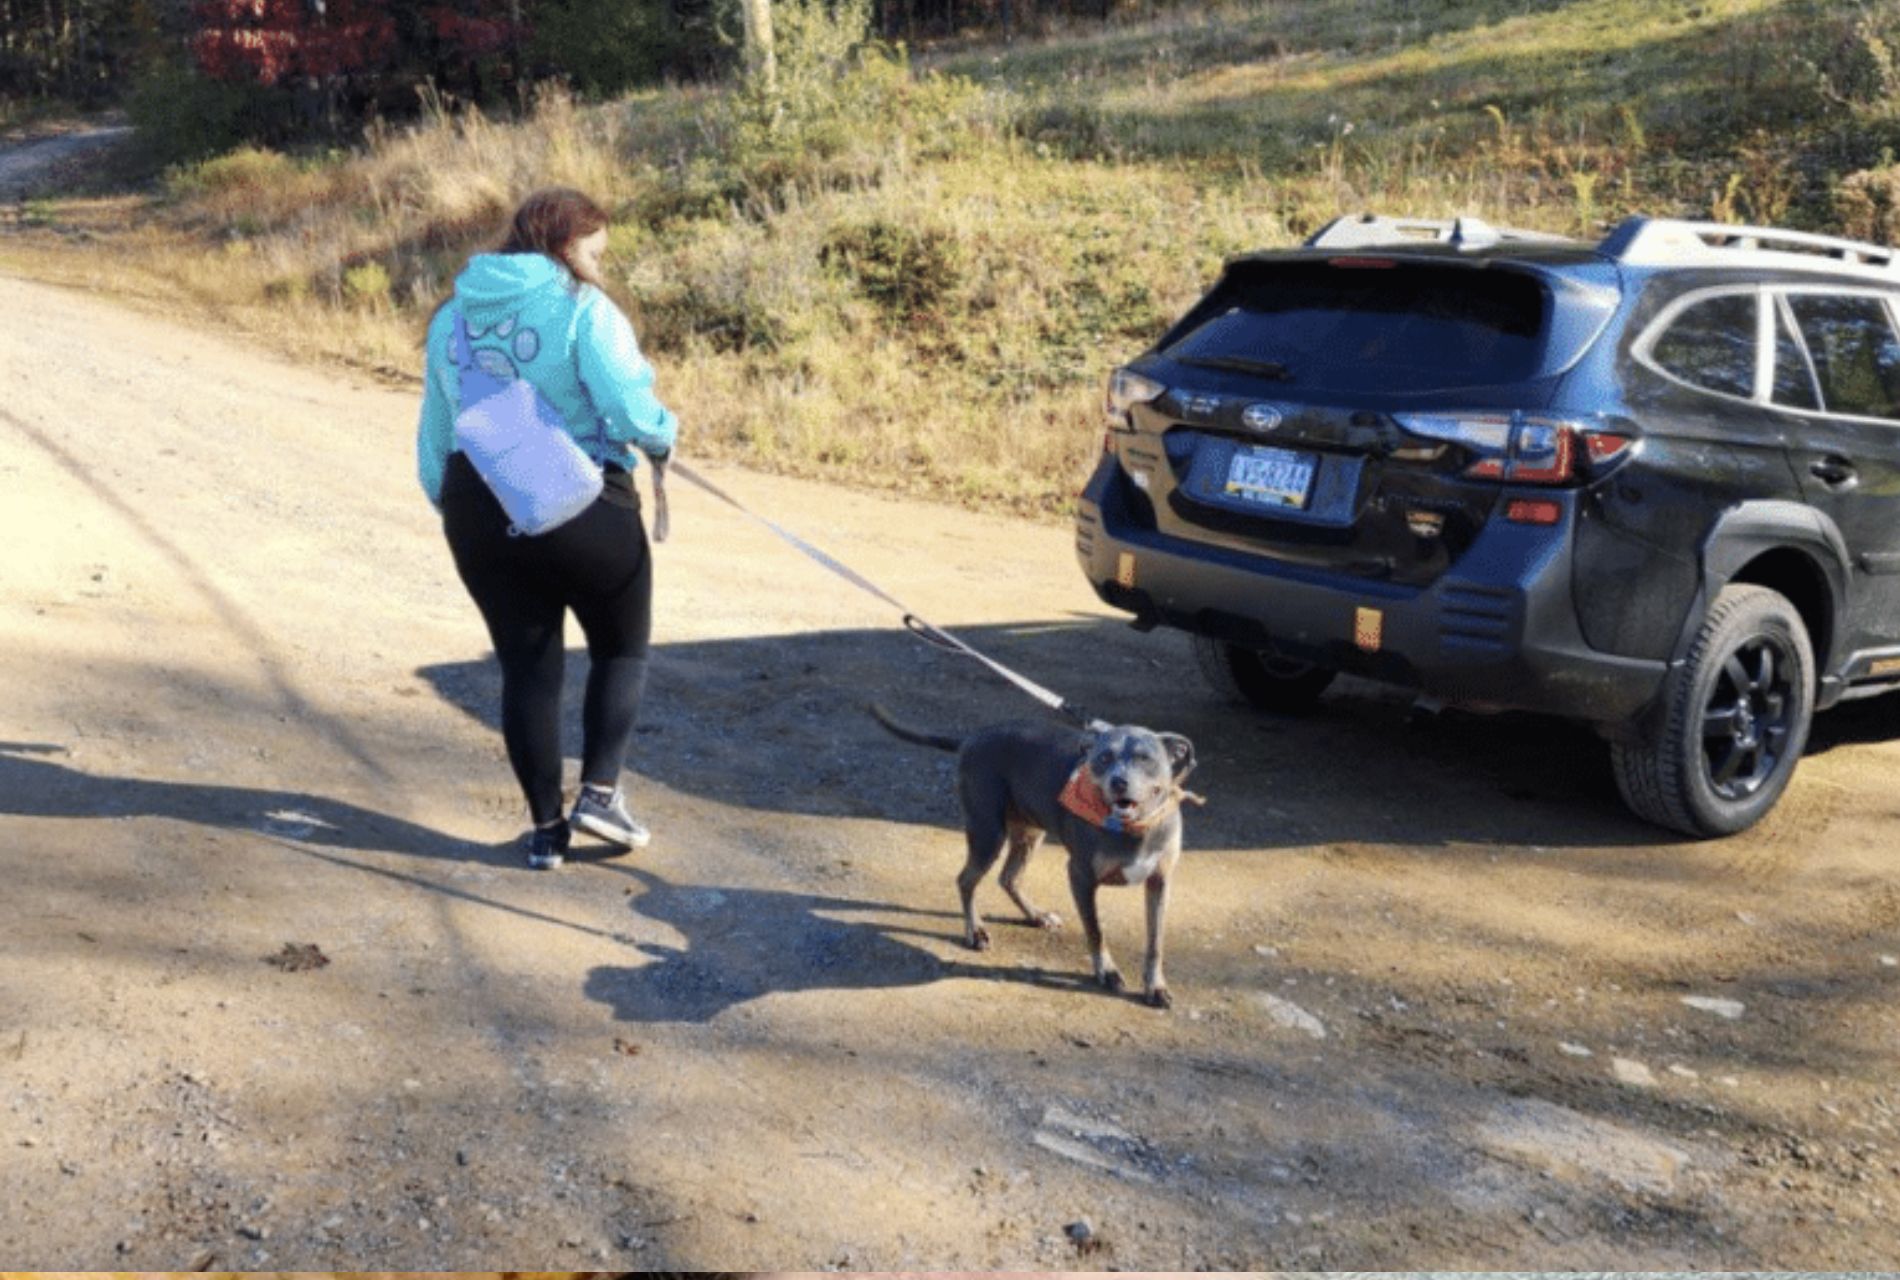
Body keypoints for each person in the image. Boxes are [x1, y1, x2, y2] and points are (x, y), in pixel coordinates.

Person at [417, 187, 677, 870]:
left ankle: (544, 832)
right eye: (595, 253)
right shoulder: (580, 307)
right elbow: (627, 407)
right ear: (567, 246)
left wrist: (470, 517)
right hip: (578, 496)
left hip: (477, 503)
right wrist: (662, 437)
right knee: (621, 648)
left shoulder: (450, 319)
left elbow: (435, 439)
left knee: (527, 669)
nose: (599, 267)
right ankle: (599, 794)